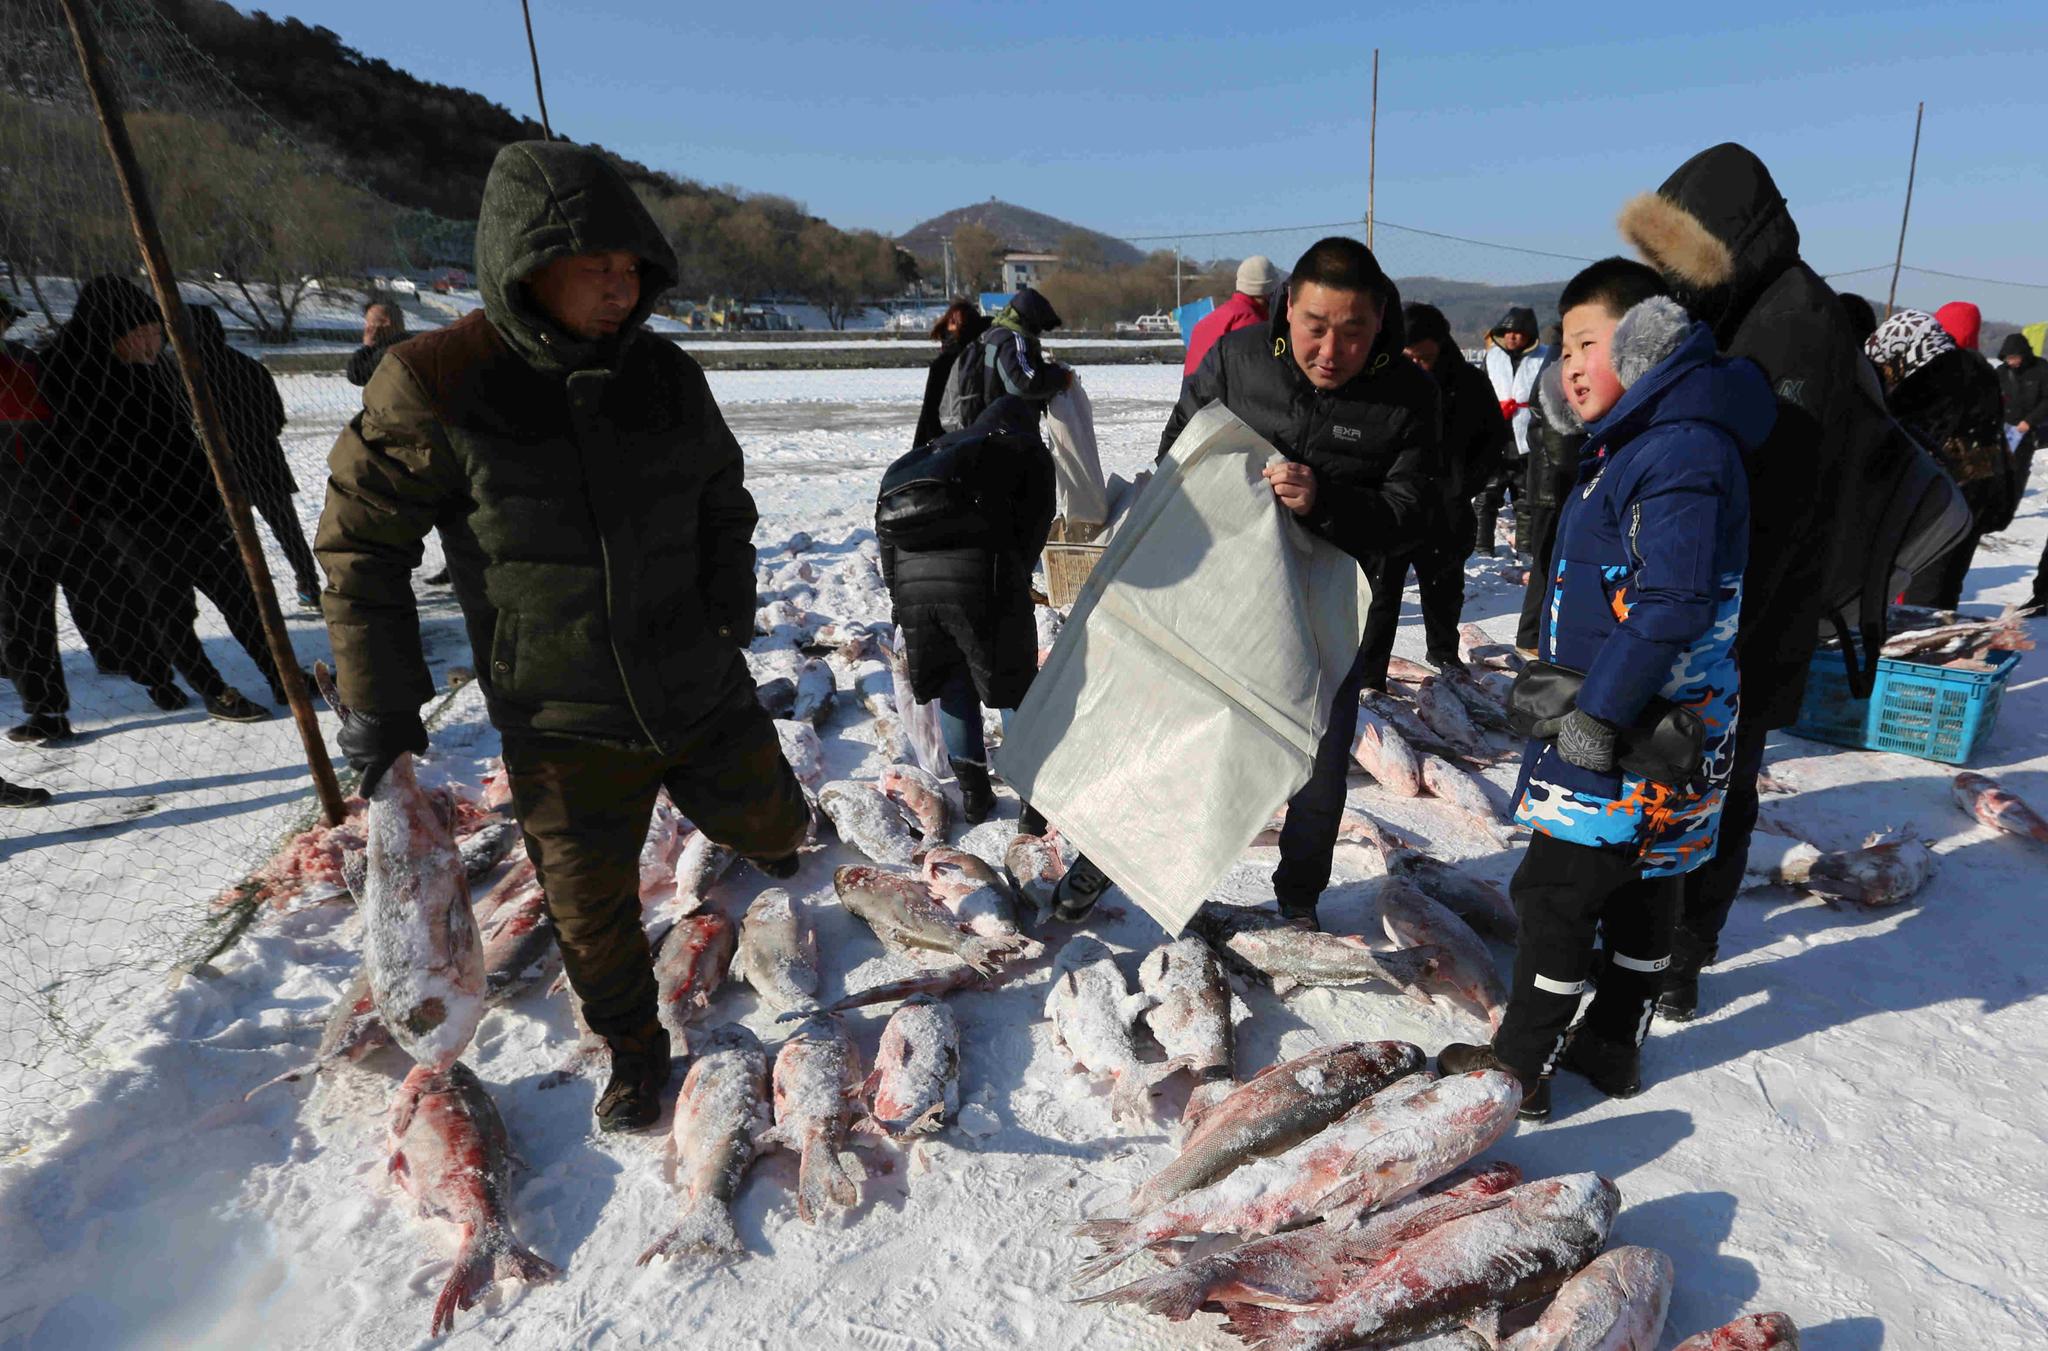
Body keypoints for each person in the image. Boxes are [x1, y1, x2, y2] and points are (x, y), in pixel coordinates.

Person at [318, 140, 810, 1133]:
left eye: (633, 268)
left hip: (695, 675)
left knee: (775, 824)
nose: (622, 289)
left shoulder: (665, 374)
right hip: (560, 710)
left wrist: (729, 602)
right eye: (598, 268)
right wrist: (378, 702)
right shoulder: (437, 380)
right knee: (588, 916)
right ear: (525, 265)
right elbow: (359, 543)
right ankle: (633, 1052)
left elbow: (723, 492)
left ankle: (774, 860)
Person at [1439, 259, 1769, 1120]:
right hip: (1669, 726)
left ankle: (1519, 1065)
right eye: (1563, 346)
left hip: (1629, 728)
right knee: (1644, 885)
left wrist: (1595, 715)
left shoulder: (1677, 448)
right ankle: (1613, 1043)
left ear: (1650, 342)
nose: (1570, 364)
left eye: (1590, 343)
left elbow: (1672, 600)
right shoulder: (1650, 440)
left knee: (1555, 893)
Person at [1052, 236, 1438, 927]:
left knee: (1316, 764)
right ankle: (1102, 855)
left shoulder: (1407, 398)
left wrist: (1323, 500)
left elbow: (1414, 515)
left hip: (1327, 613)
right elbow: (1180, 451)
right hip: (1226, 591)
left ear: (1379, 319)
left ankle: (1297, 898)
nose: (1330, 349)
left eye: (1352, 332)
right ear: (1287, 307)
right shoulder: (1238, 361)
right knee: (1169, 725)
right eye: (1316, 327)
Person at [1617, 143, 1870, 1022]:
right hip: (1715, 601)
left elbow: (1781, 505)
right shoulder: (1739, 309)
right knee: (1684, 773)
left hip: (1752, 612)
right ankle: (1655, 931)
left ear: (1732, 239)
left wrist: (1704, 627)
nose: (1675, 277)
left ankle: (1684, 953)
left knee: (1720, 782)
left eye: (1685, 255)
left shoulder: (1799, 322)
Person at [37, 276, 275, 728]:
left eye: (155, 332)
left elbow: (183, 438)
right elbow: (72, 457)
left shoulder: (158, 368)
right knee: (169, 607)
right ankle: (211, 688)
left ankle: (280, 672)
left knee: (242, 595)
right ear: (109, 334)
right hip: (129, 518)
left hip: (192, 505)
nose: (151, 343)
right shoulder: (69, 375)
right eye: (139, 335)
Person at [880, 395, 1055, 825]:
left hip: (914, 588)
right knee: (1012, 688)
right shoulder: (1024, 450)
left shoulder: (926, 456)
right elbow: (1036, 523)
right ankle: (1032, 806)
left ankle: (975, 797)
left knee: (953, 685)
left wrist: (899, 600)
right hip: (984, 582)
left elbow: (886, 536)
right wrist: (1013, 574)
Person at [1349, 300, 1502, 685]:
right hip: (1392, 507)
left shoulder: (1470, 383)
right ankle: (1369, 675)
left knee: (1443, 591)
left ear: (1441, 346)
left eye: (1425, 358)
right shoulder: (1381, 379)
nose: (1417, 365)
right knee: (1381, 597)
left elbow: (1492, 442)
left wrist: (1463, 486)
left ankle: (1445, 656)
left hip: (1446, 510)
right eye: (1409, 357)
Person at [1864, 311, 2012, 609]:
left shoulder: (1935, 381)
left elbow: (1905, 440)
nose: (1888, 371)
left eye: (1890, 361)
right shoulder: (1974, 369)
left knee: (1923, 601)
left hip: (1941, 502)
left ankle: (1919, 651)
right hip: (1973, 496)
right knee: (1942, 590)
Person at [189, 307, 321, 607]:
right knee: (287, 530)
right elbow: (276, 417)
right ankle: (308, 584)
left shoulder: (186, 374)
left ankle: (248, 595)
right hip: (264, 461)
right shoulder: (249, 366)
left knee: (226, 535)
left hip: (217, 468)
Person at [946, 285, 1071, 431]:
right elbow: (1024, 383)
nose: (1039, 333)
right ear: (1031, 320)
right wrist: (1061, 378)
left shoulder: (994, 333)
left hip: (989, 426)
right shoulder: (1013, 339)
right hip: (1009, 430)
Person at [1475, 306, 1547, 556]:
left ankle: (1526, 547)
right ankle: (1482, 545)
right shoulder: (1492, 358)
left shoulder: (1544, 358)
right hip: (1497, 435)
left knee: (1526, 498)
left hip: (1527, 437)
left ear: (1530, 335)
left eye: (1518, 333)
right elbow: (1480, 391)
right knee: (1488, 495)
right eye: (1507, 332)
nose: (1512, 337)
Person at [1183, 255, 1285, 377]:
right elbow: (1255, 376)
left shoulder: (1216, 317)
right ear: (1269, 293)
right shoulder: (1249, 321)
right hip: (1220, 394)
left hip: (1194, 393)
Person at [913, 299, 991, 448]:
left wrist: (918, 449)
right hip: (980, 435)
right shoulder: (985, 352)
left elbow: (929, 412)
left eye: (954, 322)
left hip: (947, 438)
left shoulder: (944, 362)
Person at [346, 298, 406, 388]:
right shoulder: (415, 341)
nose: (388, 323)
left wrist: (368, 345)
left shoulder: (389, 352)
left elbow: (356, 375)